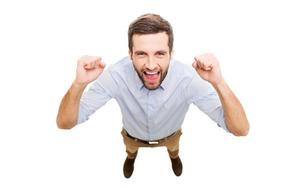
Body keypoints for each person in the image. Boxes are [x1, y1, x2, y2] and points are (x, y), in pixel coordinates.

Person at [56, 13, 249, 178]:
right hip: (133, 137)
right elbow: (65, 123)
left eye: (159, 54)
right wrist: (78, 84)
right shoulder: (116, 75)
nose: (150, 65)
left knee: (174, 149)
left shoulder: (188, 78)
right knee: (130, 150)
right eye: (141, 54)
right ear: (130, 53)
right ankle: (131, 158)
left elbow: (240, 129)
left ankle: (174, 157)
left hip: (171, 136)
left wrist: (218, 82)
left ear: (170, 53)